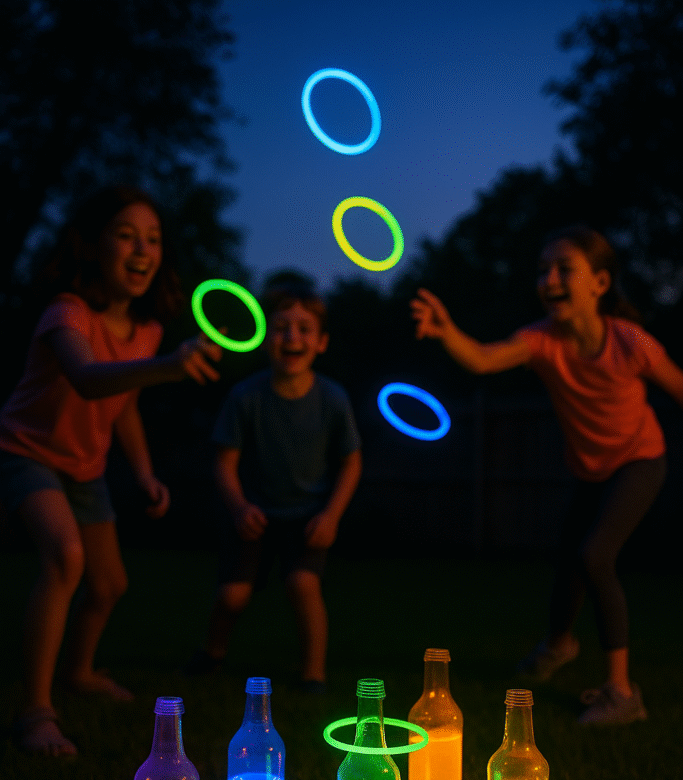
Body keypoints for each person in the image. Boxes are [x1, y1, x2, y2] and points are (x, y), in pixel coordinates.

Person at [411, 225, 683, 725]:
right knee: (568, 566)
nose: (549, 279)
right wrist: (447, 330)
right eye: (543, 271)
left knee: (594, 555)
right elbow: (485, 359)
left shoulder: (631, 341)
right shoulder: (541, 341)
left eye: (564, 269)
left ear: (600, 283)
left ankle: (622, 693)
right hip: (589, 469)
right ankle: (560, 645)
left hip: (640, 460)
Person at [0, 185, 222, 756]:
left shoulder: (146, 332)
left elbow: (122, 407)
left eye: (152, 239)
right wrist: (169, 368)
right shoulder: (67, 313)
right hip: (26, 451)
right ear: (93, 245)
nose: (142, 249)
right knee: (64, 555)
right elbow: (89, 379)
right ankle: (35, 715)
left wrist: (144, 472)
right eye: (125, 235)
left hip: (86, 469)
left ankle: (79, 672)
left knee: (108, 584)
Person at [185, 286, 362, 693]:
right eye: (281, 328)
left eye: (304, 328)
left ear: (322, 342)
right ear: (265, 338)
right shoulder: (245, 396)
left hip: (308, 516)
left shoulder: (333, 400)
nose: (292, 338)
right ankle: (211, 653)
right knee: (232, 597)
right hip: (255, 514)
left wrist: (331, 516)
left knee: (303, 584)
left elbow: (351, 462)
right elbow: (224, 463)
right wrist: (238, 508)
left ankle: (313, 675)